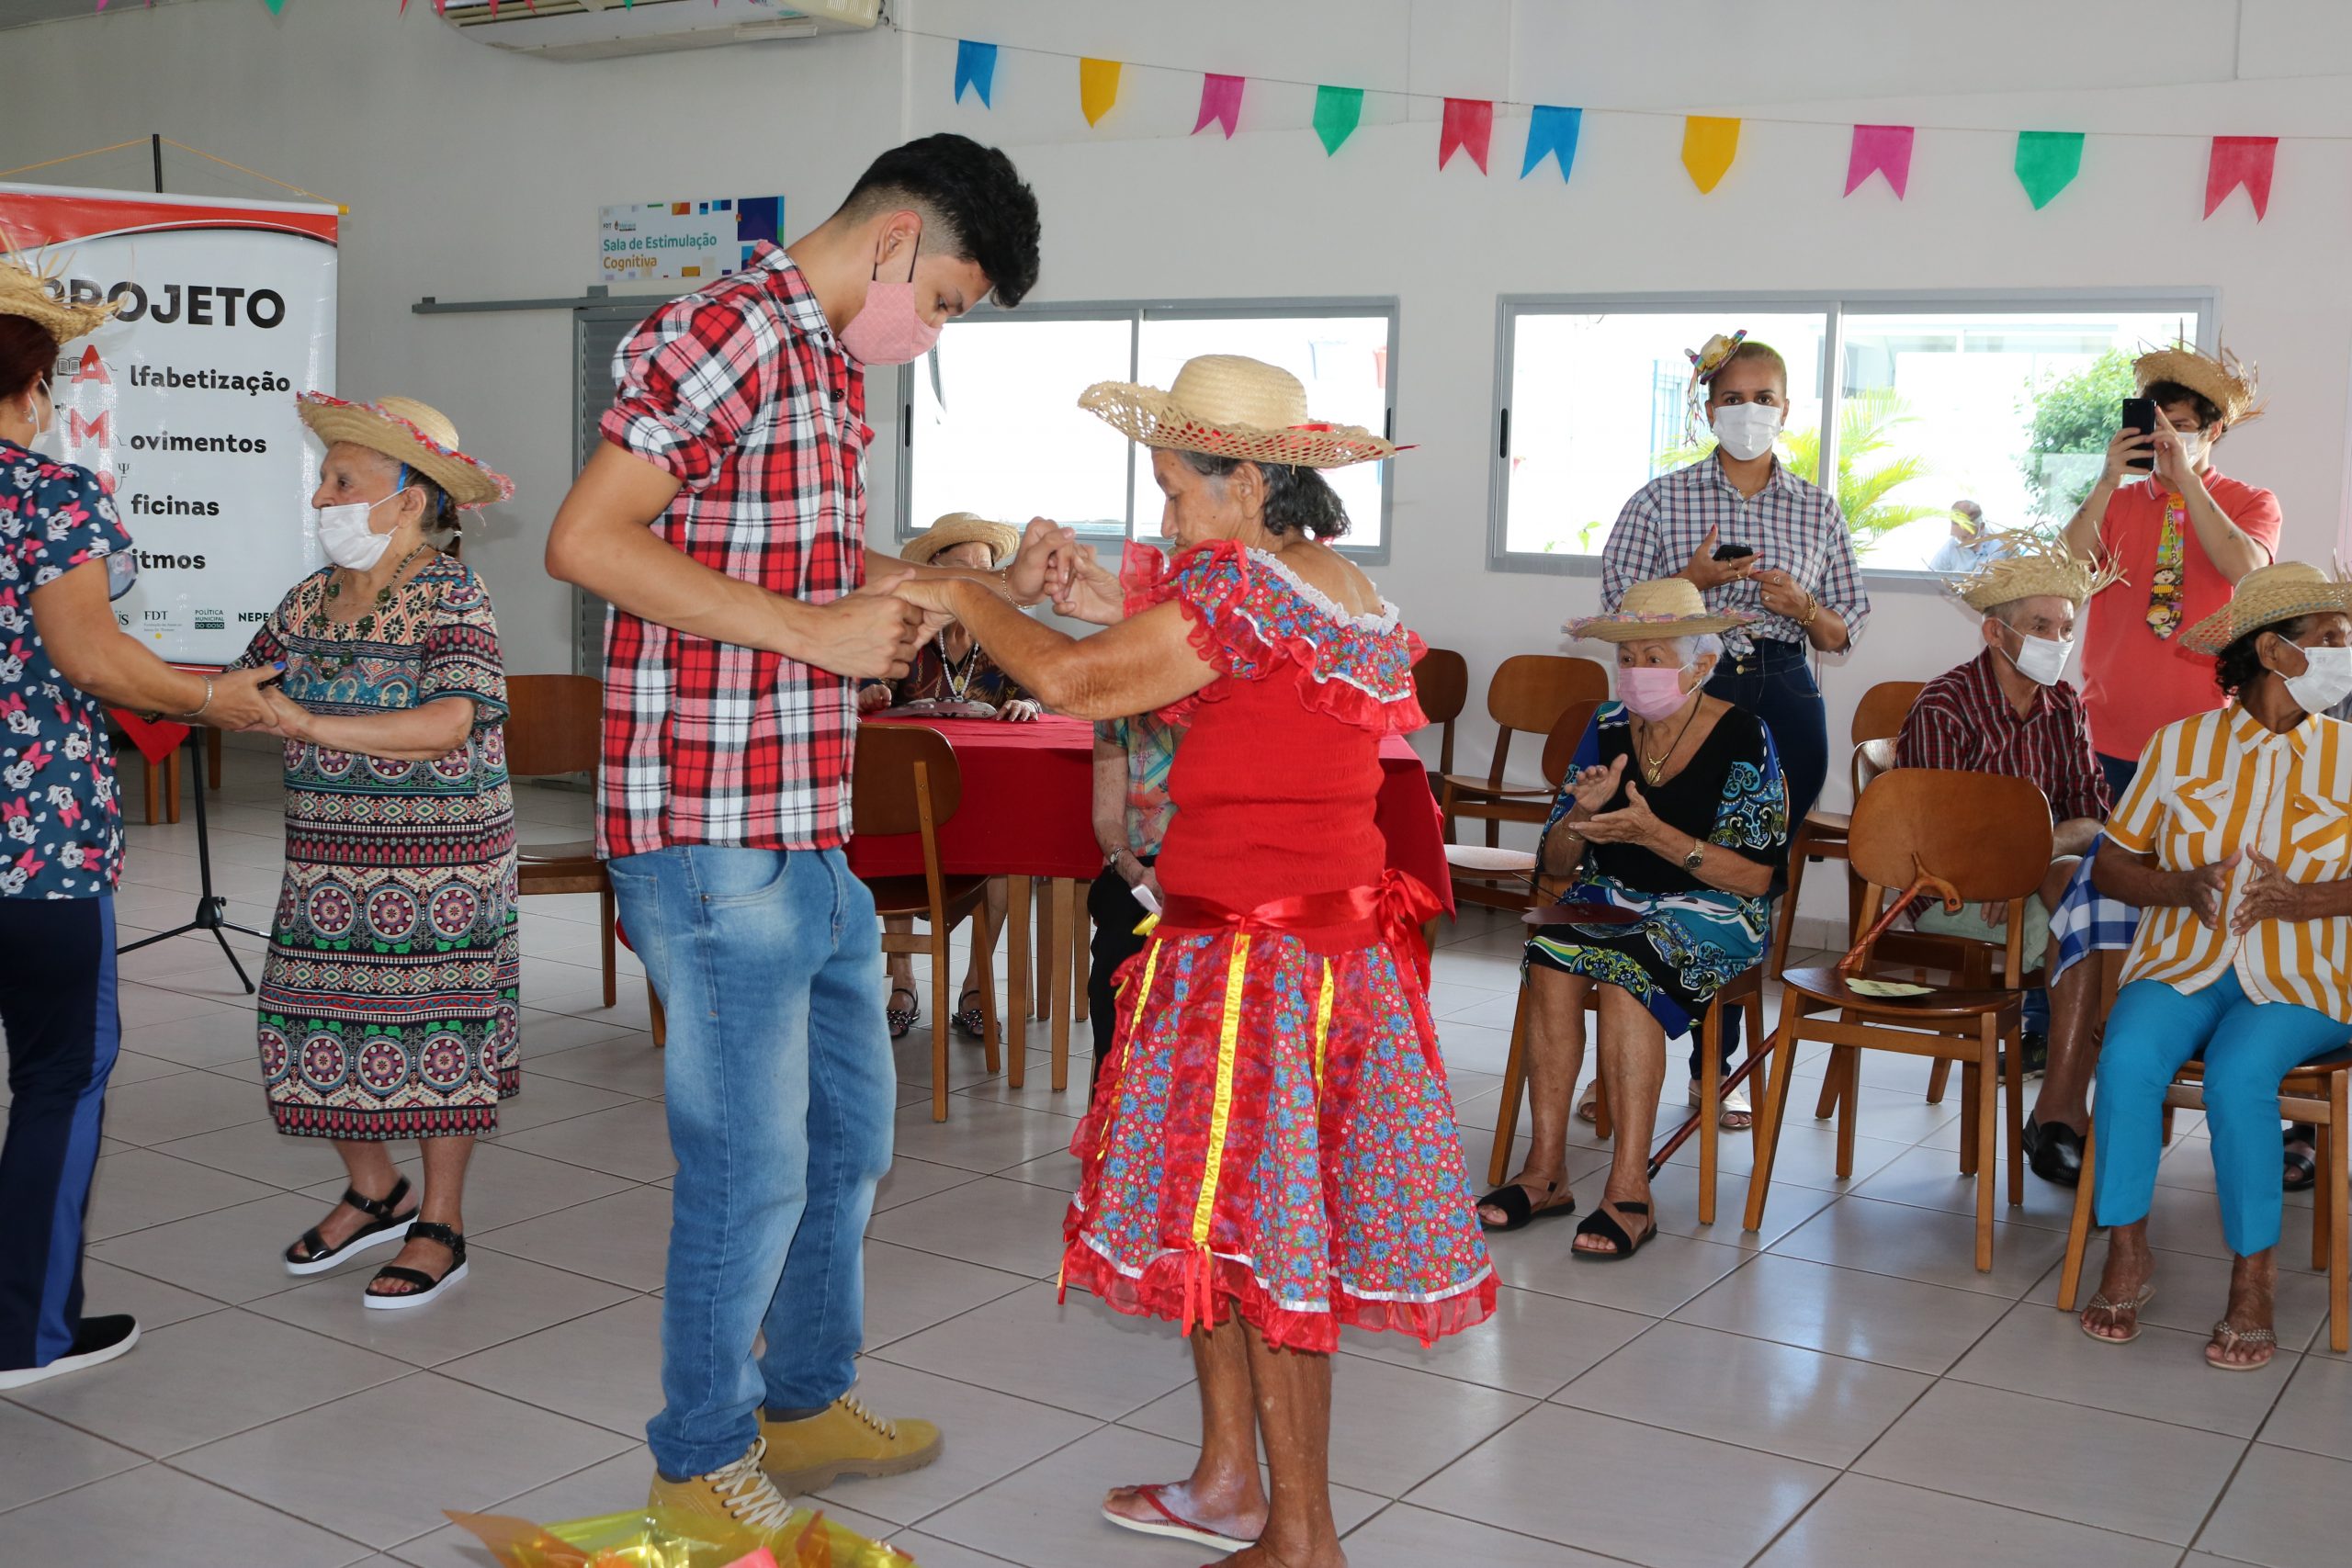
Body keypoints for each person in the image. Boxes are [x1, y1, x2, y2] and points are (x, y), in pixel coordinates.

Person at [888, 354, 1495, 1568]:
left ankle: (1303, 1535)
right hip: (1268, 950)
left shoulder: (1246, 602)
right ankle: (1228, 1483)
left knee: (1267, 1248)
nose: (1161, 515)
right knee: (1221, 1226)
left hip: (1264, 966)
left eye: (1176, 489)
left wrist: (970, 598)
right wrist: (1077, 576)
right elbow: (1163, 604)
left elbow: (1068, 677)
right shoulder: (1314, 581)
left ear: (1254, 481)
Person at [543, 133, 1044, 1551]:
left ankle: (805, 1398)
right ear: (892, 240)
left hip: (805, 819)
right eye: (944, 300)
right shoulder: (718, 331)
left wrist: (971, 582)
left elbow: (822, 561)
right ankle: (699, 1458)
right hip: (708, 827)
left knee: (850, 1140)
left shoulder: (823, 362)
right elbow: (588, 539)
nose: (931, 331)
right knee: (748, 1161)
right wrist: (814, 632)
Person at [0, 259, 278, 1390]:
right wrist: (218, 698)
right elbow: (90, 652)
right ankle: (25, 1334)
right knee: (64, 1069)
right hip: (35, 846)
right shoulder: (45, 493)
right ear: (32, 392)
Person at [231, 394, 516, 1308]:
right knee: (305, 1021)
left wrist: (312, 720)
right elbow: (243, 683)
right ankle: (374, 1188)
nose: (322, 498)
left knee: (437, 1037)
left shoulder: (451, 592)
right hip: (324, 861)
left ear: (409, 496)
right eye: (323, 477)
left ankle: (441, 1221)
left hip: (443, 862)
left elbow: (448, 721)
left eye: (342, 480)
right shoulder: (307, 599)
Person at [2078, 562, 2352, 1370]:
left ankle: (2253, 1279)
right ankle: (2128, 1251)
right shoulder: (2181, 745)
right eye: (2330, 640)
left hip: (2305, 976)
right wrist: (2177, 883)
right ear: (2275, 651)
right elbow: (2111, 867)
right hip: (2184, 960)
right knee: (2126, 1059)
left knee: (2239, 1076)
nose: (2346, 653)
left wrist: (2301, 900)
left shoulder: (2350, 753)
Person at [1600, 331, 1869, 1126]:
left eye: (1764, 398)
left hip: (1784, 691)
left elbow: (1843, 630)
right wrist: (1693, 582)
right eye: (1733, 398)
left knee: (1753, 876)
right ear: (1707, 408)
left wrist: (1802, 607)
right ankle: (1630, 1035)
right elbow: (1620, 607)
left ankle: (1715, 1063)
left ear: (1786, 408)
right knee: (1656, 855)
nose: (1748, 412)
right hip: (1684, 688)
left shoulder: (1817, 507)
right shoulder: (1659, 499)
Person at [1477, 579, 1788, 1254]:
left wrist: (1656, 836)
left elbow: (1756, 875)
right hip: (1615, 896)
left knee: (1628, 967)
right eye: (1627, 658)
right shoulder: (1608, 727)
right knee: (1552, 950)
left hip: (1718, 911)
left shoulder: (1745, 736)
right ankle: (1546, 1171)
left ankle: (1629, 1191)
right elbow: (1555, 858)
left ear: (1700, 664)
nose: (1637, 672)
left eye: (1654, 656)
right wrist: (1582, 818)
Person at [1894, 539, 2119, 1185]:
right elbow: (1932, 840)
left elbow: (2095, 814)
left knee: (2080, 884)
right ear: (1995, 631)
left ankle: (2061, 1110)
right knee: (2094, 915)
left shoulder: (2065, 704)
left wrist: (2033, 849)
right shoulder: (1947, 704)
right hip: (1956, 896)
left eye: (2067, 627)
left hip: (2035, 887)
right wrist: (2009, 864)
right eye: (2041, 625)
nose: (2058, 640)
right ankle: (2069, 1114)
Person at [2064, 344, 2278, 799]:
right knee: (2102, 864)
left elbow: (2246, 571)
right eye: (2155, 429)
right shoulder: (2115, 502)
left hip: (2206, 733)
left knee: (2191, 866)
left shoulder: (2252, 502)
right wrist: (2106, 479)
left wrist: (2188, 482)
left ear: (2213, 430)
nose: (2163, 441)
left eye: (2178, 429)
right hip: (2105, 733)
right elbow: (2063, 573)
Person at [861, 515, 1035, 1040]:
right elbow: (861, 684)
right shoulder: (899, 626)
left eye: (986, 572)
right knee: (890, 835)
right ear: (931, 572)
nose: (976, 584)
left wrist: (1027, 703)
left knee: (1008, 856)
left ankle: (976, 987)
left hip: (985, 793)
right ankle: (902, 981)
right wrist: (867, 696)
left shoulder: (1004, 628)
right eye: (964, 571)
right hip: (913, 794)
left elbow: (1035, 690)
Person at [1087, 700, 1182, 1089]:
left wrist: (1182, 872)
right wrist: (1134, 871)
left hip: (1208, 866)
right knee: (1114, 960)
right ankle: (1115, 1109)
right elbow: (1106, 818)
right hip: (1137, 870)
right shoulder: (1120, 704)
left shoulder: (1225, 699)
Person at [1925, 500, 2013, 575]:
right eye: (1957, 536)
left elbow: (2019, 575)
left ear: (1981, 526)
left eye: (1965, 536)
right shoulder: (1950, 548)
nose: (1960, 541)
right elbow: (1930, 578)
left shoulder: (2002, 543)